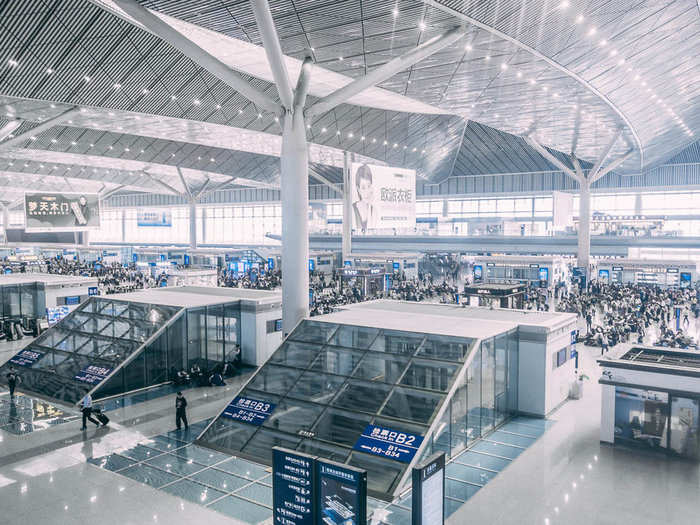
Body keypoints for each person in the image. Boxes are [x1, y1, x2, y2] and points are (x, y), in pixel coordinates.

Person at [352, 164, 376, 233]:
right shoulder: (352, 209)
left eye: (369, 186)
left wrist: (369, 206)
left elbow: (372, 232)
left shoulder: (373, 210)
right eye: (363, 188)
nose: (367, 191)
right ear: (358, 189)